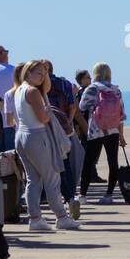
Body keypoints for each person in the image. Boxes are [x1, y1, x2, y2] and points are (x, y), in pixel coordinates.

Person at [13, 60, 80, 232]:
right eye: (39, 74)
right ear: (28, 73)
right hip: (37, 136)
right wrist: (49, 113)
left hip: (21, 135)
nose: (43, 78)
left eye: (44, 75)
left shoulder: (19, 89)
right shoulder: (33, 91)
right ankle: (62, 217)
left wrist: (44, 71)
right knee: (52, 179)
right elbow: (43, 118)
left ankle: (35, 218)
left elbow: (47, 88)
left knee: (33, 180)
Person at [42, 60, 84, 220]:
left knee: (46, 170)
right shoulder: (64, 83)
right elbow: (73, 106)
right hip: (64, 129)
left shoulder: (38, 87)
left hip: (45, 130)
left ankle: (51, 204)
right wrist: (67, 122)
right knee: (66, 164)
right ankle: (70, 197)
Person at [79, 62, 126, 203]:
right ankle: (109, 195)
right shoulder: (116, 89)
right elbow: (121, 115)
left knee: (89, 162)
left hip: (96, 130)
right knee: (113, 162)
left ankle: (82, 196)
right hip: (113, 130)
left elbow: (82, 106)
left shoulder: (92, 88)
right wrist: (121, 136)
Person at [74, 69, 104, 184]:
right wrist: (82, 127)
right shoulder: (83, 93)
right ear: (81, 80)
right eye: (88, 77)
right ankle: (91, 175)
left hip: (91, 125)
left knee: (92, 151)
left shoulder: (86, 91)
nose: (90, 79)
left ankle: (93, 174)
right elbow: (78, 112)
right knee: (90, 151)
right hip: (86, 126)